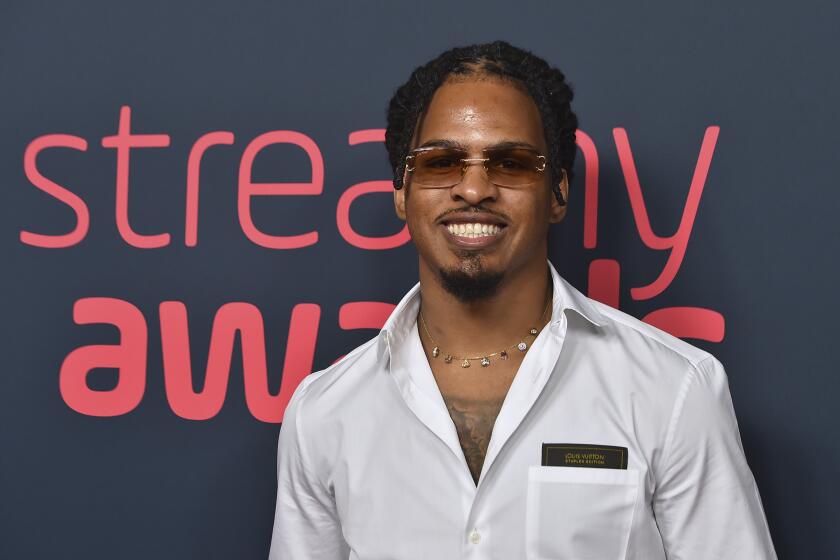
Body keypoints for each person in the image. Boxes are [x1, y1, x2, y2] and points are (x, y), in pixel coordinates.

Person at [268, 40, 777, 559]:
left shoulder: (674, 390)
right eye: (442, 161)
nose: (473, 188)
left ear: (557, 191)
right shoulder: (324, 411)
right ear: (402, 190)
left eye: (510, 162)